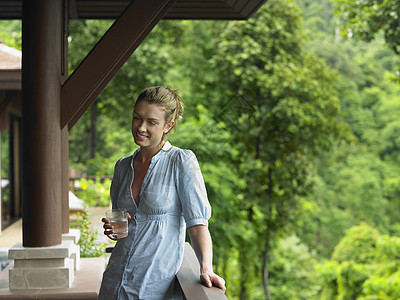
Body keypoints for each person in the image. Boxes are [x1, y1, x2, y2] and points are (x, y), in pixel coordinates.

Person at [98, 86, 226, 299]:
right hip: (113, 285)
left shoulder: (181, 162)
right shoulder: (122, 167)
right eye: (137, 118)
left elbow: (197, 224)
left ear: (168, 126)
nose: (141, 127)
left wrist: (206, 268)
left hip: (152, 288)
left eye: (152, 122)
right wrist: (113, 229)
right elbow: (123, 223)